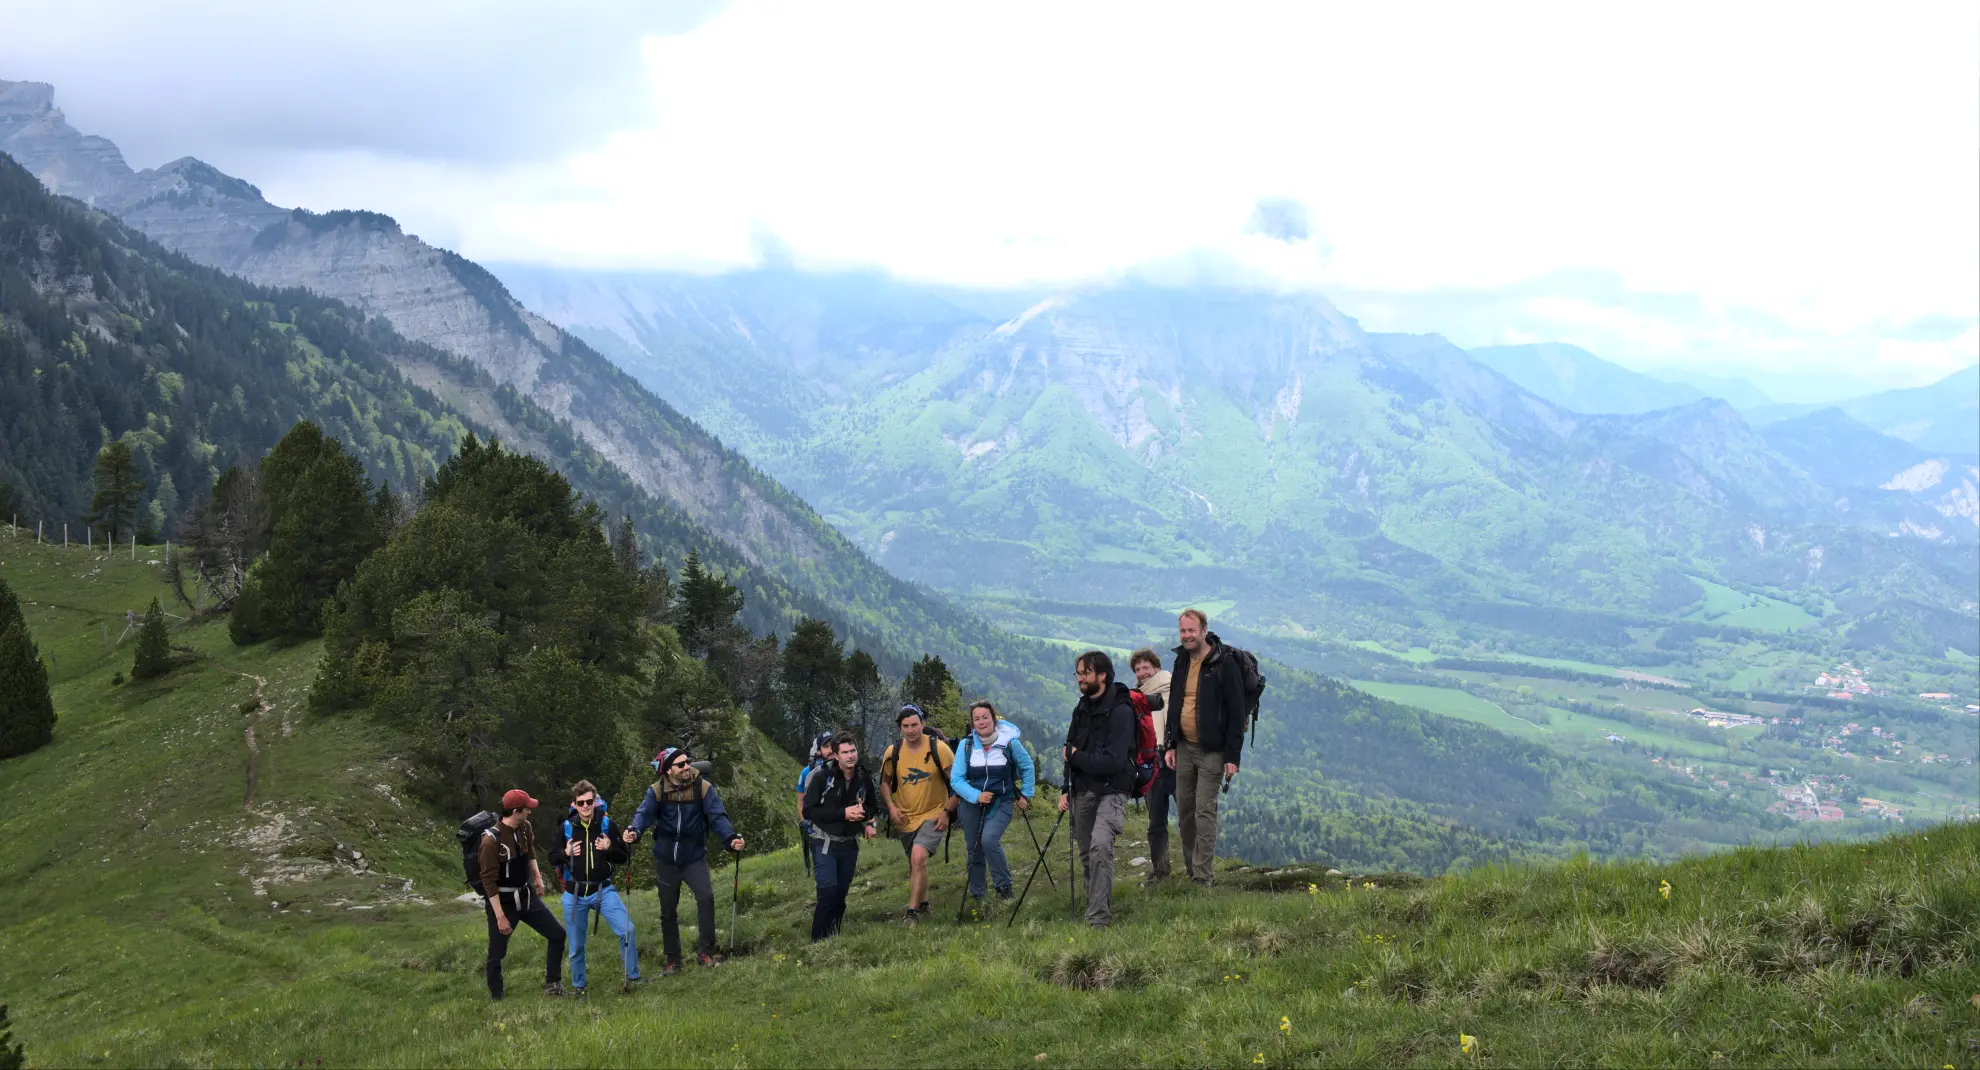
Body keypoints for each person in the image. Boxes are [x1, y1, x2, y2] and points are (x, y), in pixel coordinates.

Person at [624, 747, 745, 974]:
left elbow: (717, 817)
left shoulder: (703, 788)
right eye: (681, 764)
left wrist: (730, 839)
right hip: (666, 860)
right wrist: (634, 831)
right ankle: (673, 960)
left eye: (687, 761)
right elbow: (644, 814)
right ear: (668, 770)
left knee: (706, 898)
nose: (687, 766)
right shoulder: (657, 791)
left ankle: (705, 952)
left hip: (694, 856)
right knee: (668, 910)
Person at [1163, 608, 1248, 886]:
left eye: (1191, 630)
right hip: (1184, 746)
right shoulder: (1181, 660)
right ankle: (1192, 869)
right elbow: (1175, 704)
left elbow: (1237, 713)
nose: (1186, 636)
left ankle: (1203, 877)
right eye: (1183, 631)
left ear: (1203, 630)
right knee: (1185, 811)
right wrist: (1170, 743)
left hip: (1213, 750)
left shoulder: (1223, 663)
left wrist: (1233, 756)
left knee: (1204, 812)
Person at [1059, 651, 1135, 928]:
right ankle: (1095, 904)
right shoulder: (1081, 708)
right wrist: (1065, 788)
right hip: (1082, 788)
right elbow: (1069, 749)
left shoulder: (1122, 711)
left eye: (1085, 673)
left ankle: (1098, 920)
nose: (1080, 678)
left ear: (1102, 675)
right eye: (1078, 673)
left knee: (1100, 846)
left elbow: (1114, 761)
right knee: (1086, 853)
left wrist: (1076, 757)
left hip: (1113, 788)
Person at [550, 780, 640, 998]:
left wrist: (609, 848)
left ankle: (633, 978)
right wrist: (565, 853)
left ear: (594, 801)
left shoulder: (607, 825)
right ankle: (579, 987)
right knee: (576, 946)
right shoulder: (566, 827)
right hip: (574, 893)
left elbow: (623, 857)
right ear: (574, 804)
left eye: (589, 802)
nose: (585, 806)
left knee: (627, 930)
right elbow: (552, 857)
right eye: (581, 803)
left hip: (603, 890)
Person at [479, 788, 566, 1001]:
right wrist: (500, 916)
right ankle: (496, 996)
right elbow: (488, 882)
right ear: (515, 811)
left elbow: (530, 852)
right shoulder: (491, 841)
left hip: (526, 896)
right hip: (503, 902)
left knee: (557, 934)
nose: (530, 812)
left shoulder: (525, 827)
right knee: (497, 953)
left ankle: (553, 985)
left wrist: (537, 878)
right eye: (526, 809)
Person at [950, 700, 1036, 905]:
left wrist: (1026, 794)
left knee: (989, 840)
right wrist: (976, 795)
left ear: (993, 719)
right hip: (971, 803)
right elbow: (956, 779)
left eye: (985, 717)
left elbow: (1027, 767)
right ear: (972, 723)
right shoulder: (966, 745)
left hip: (1001, 800)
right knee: (974, 847)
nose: (981, 722)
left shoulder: (1010, 743)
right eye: (976, 719)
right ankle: (978, 894)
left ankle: (1004, 887)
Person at [878, 705, 955, 923]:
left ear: (922, 724)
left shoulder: (939, 749)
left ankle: (911, 914)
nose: (911, 730)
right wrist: (891, 807)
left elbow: (958, 783)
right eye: (906, 726)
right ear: (900, 727)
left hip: (934, 813)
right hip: (905, 816)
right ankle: (923, 903)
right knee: (915, 863)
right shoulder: (893, 752)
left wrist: (947, 812)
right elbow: (884, 783)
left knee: (918, 856)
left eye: (914, 725)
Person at [801, 732, 879, 941]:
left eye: (853, 751)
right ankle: (818, 941)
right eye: (844, 752)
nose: (850, 756)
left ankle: (833, 937)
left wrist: (864, 814)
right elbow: (809, 811)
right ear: (835, 755)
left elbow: (872, 806)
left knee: (840, 894)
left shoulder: (863, 776)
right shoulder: (822, 777)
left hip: (850, 843)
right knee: (827, 892)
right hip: (824, 841)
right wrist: (843, 814)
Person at [1129, 648, 1175, 883]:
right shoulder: (1136, 697)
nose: (1142, 673)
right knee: (1155, 820)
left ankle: (1196, 869)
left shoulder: (1171, 687)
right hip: (1150, 759)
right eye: (1137, 669)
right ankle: (1160, 870)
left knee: (1188, 816)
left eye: (1146, 667)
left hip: (1175, 756)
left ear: (1157, 668)